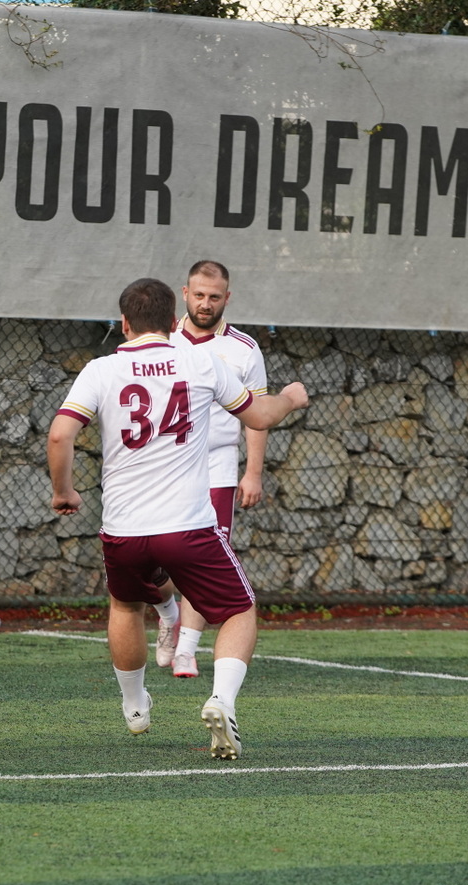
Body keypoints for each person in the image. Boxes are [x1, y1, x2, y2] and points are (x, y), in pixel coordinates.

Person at [47, 277, 308, 759]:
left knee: (125, 607)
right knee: (239, 610)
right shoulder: (200, 360)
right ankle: (221, 700)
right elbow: (260, 416)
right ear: (173, 321)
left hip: (124, 528)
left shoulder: (101, 369)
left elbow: (61, 434)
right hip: (187, 525)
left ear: (124, 323)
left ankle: (135, 707)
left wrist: (64, 491)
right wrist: (291, 397)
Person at [155, 260, 269, 679]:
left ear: (227, 298)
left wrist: (252, 472)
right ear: (185, 293)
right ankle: (168, 614)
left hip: (216, 465)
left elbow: (257, 415)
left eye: (214, 297)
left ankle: (187, 649)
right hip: (164, 465)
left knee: (204, 559)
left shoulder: (244, 349)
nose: (206, 304)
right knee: (152, 560)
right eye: (199, 295)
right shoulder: (161, 340)